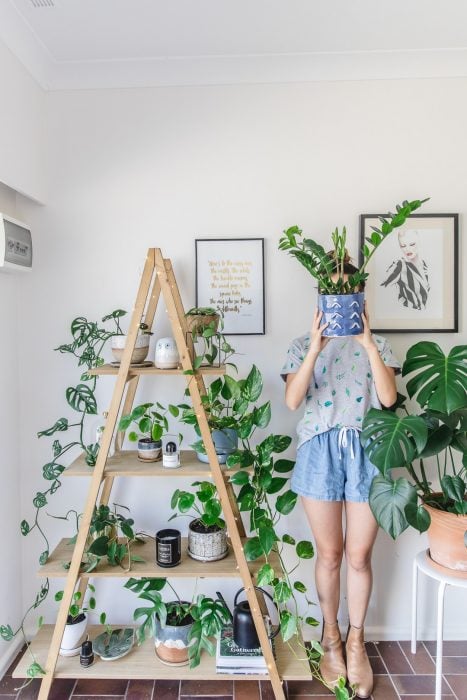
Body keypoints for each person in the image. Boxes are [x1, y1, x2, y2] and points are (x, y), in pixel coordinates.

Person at [281, 253, 400, 698]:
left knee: (359, 556)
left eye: (347, 293)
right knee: (329, 554)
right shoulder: (299, 344)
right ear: (322, 298)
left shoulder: (379, 345)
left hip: (367, 449)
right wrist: (316, 345)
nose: (340, 300)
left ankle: (356, 641)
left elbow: (388, 401)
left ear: (359, 296)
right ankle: (330, 638)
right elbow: (293, 401)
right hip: (319, 450)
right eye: (332, 293)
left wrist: (368, 343)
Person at [380, 228, 430, 310]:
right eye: (403, 246)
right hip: (407, 314)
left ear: (419, 242)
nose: (407, 249)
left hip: (424, 318)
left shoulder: (425, 265)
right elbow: (380, 288)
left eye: (412, 244)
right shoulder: (399, 265)